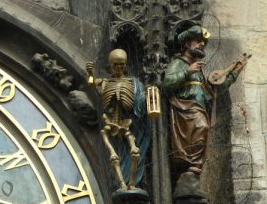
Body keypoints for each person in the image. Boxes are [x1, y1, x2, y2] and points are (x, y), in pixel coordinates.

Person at [163, 25, 248, 175]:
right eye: (197, 41)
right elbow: (168, 83)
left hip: (199, 108)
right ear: (187, 44)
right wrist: (187, 72)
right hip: (185, 109)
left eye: (203, 42)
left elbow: (214, 89)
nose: (202, 44)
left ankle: (194, 164)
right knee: (202, 126)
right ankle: (191, 163)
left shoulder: (199, 70)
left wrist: (236, 72)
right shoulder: (179, 63)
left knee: (203, 130)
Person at [86, 48, 150, 190]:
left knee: (134, 150)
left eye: (122, 64)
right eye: (115, 64)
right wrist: (90, 73)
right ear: (110, 65)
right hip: (110, 122)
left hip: (128, 123)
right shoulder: (104, 82)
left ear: (126, 64)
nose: (119, 67)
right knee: (114, 152)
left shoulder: (134, 84)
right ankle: (121, 183)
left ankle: (132, 182)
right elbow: (91, 84)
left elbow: (140, 100)